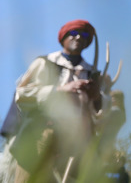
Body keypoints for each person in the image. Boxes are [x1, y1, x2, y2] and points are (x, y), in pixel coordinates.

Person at [0, 19, 106, 183]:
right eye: (73, 33)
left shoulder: (94, 75)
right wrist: (60, 90)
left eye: (84, 35)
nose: (78, 37)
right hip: (42, 134)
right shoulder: (43, 63)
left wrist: (97, 97)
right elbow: (22, 94)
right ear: (63, 37)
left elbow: (105, 112)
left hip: (76, 143)